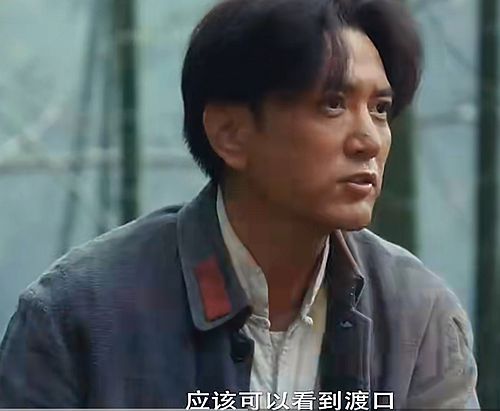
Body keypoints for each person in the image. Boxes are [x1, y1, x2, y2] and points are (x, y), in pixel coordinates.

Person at [0, 0, 479, 408]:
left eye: (380, 109)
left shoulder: (418, 317)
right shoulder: (79, 317)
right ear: (230, 133)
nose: (369, 140)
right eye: (333, 104)